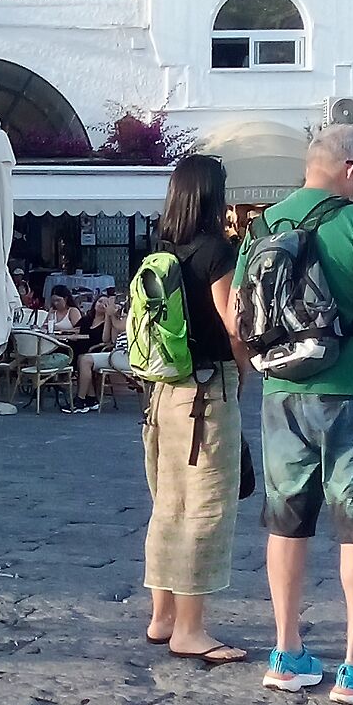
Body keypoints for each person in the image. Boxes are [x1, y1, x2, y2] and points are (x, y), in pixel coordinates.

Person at [229, 121, 353, 705]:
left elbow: (238, 317)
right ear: (352, 169)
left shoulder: (264, 224)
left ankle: (287, 653)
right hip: (352, 391)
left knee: (286, 521)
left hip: (281, 390)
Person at [140, 155, 248, 664]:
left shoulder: (163, 249)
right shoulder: (216, 253)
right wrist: (247, 370)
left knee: (168, 507)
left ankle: (162, 617)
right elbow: (233, 325)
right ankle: (191, 630)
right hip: (208, 395)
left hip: (163, 396)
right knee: (205, 510)